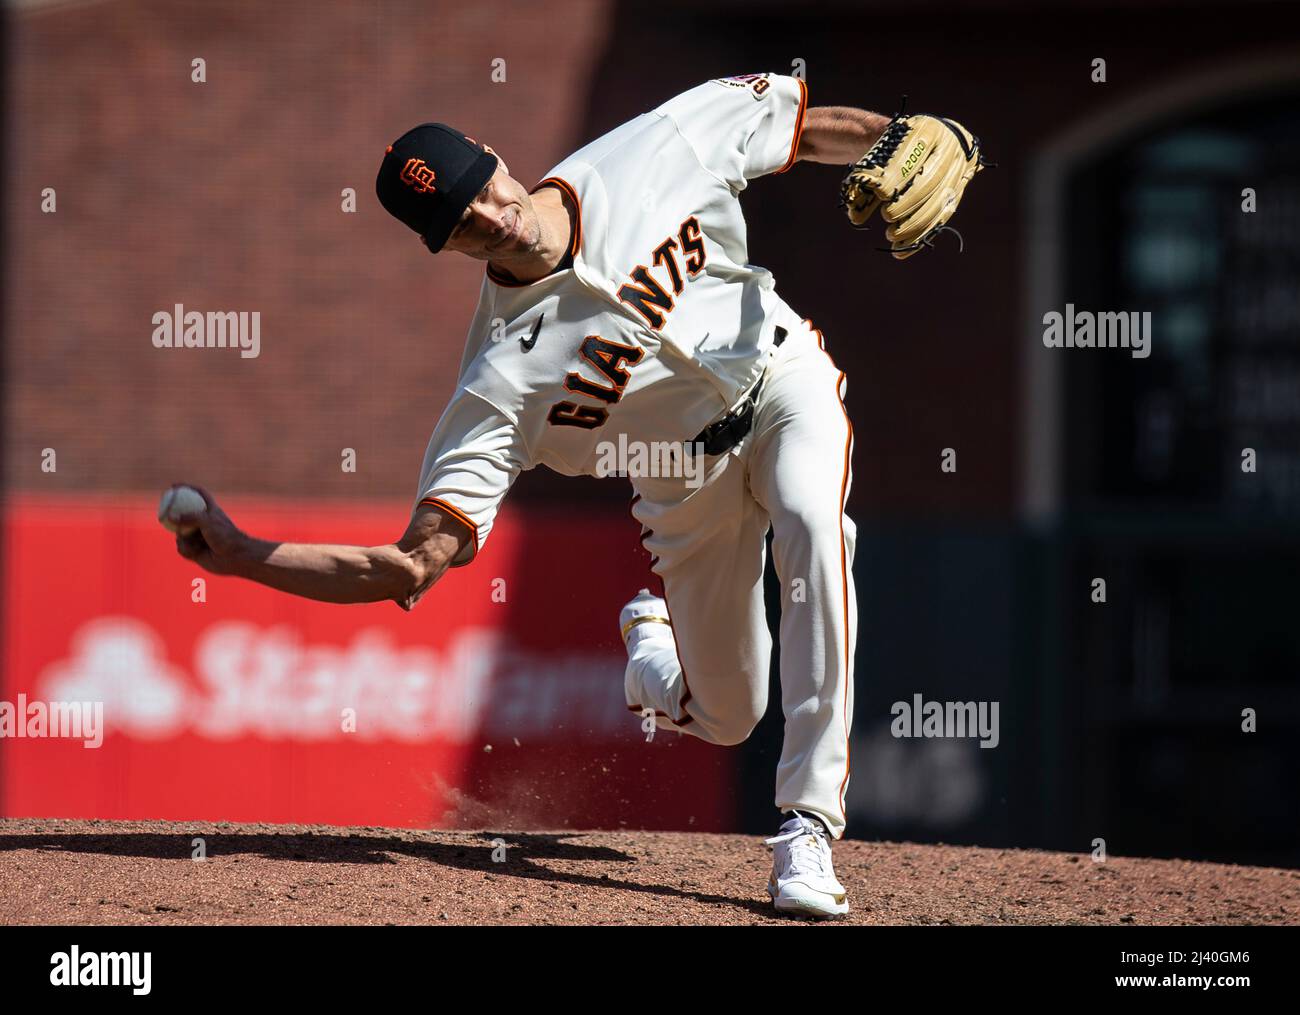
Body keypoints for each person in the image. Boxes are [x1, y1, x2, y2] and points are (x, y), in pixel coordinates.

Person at [173, 73, 890, 918]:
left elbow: (799, 125)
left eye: (478, 188)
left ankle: (805, 824)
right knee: (731, 713)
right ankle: (654, 660)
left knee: (813, 525)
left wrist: (899, 134)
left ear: (496, 159)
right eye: (456, 221)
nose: (484, 214)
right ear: (443, 247)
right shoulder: (499, 383)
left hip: (779, 375)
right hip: (680, 481)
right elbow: (410, 564)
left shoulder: (652, 148)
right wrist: (248, 557)